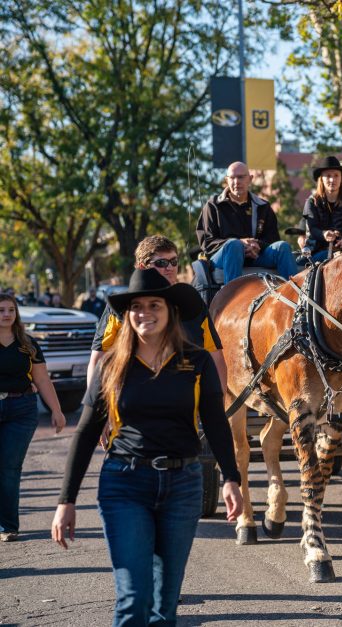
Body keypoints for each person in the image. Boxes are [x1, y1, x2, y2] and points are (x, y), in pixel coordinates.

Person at [51, 268, 243, 625]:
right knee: (134, 600)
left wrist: (231, 478)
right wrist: (66, 501)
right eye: (136, 306)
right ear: (127, 315)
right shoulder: (112, 365)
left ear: (170, 311)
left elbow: (215, 422)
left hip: (183, 484)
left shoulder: (196, 360)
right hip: (125, 483)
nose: (145, 313)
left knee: (164, 607)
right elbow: (86, 433)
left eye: (154, 305)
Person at [88, 235, 227, 394]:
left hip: (185, 407)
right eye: (161, 263)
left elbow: (215, 357)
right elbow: (98, 359)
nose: (170, 267)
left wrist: (219, 407)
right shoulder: (119, 307)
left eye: (174, 261)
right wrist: (97, 409)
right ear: (142, 266)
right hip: (132, 402)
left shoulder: (193, 303)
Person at [0, 294, 66, 542]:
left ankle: (7, 526)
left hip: (22, 408)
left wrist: (57, 411)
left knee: (9, 467)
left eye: (11, 310)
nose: (6, 314)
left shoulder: (28, 344)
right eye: (1, 310)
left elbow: (42, 380)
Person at [196, 161, 298, 283]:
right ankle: (233, 298)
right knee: (234, 245)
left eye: (240, 177)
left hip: (256, 255)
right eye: (232, 178)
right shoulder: (213, 205)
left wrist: (257, 245)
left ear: (250, 179)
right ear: (226, 180)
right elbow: (207, 242)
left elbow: (273, 239)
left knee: (283, 247)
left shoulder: (263, 206)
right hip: (223, 257)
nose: (236, 182)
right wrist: (240, 244)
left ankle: (296, 297)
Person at [301, 156, 342, 263]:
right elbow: (313, 229)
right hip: (314, 253)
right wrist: (324, 234)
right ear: (321, 179)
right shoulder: (311, 202)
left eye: (336, 175)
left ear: (341, 179)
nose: (332, 180)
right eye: (328, 176)